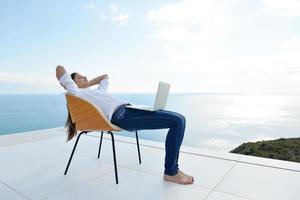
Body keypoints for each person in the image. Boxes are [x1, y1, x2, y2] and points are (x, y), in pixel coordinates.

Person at [55, 65, 194, 185]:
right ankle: (171, 171)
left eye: (84, 76)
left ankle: (173, 168)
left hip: (130, 109)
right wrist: (69, 83)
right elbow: (59, 68)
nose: (85, 77)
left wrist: (87, 82)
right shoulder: (76, 92)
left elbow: (105, 77)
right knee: (177, 121)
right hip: (123, 116)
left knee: (180, 118)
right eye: (80, 77)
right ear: (71, 82)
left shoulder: (97, 91)